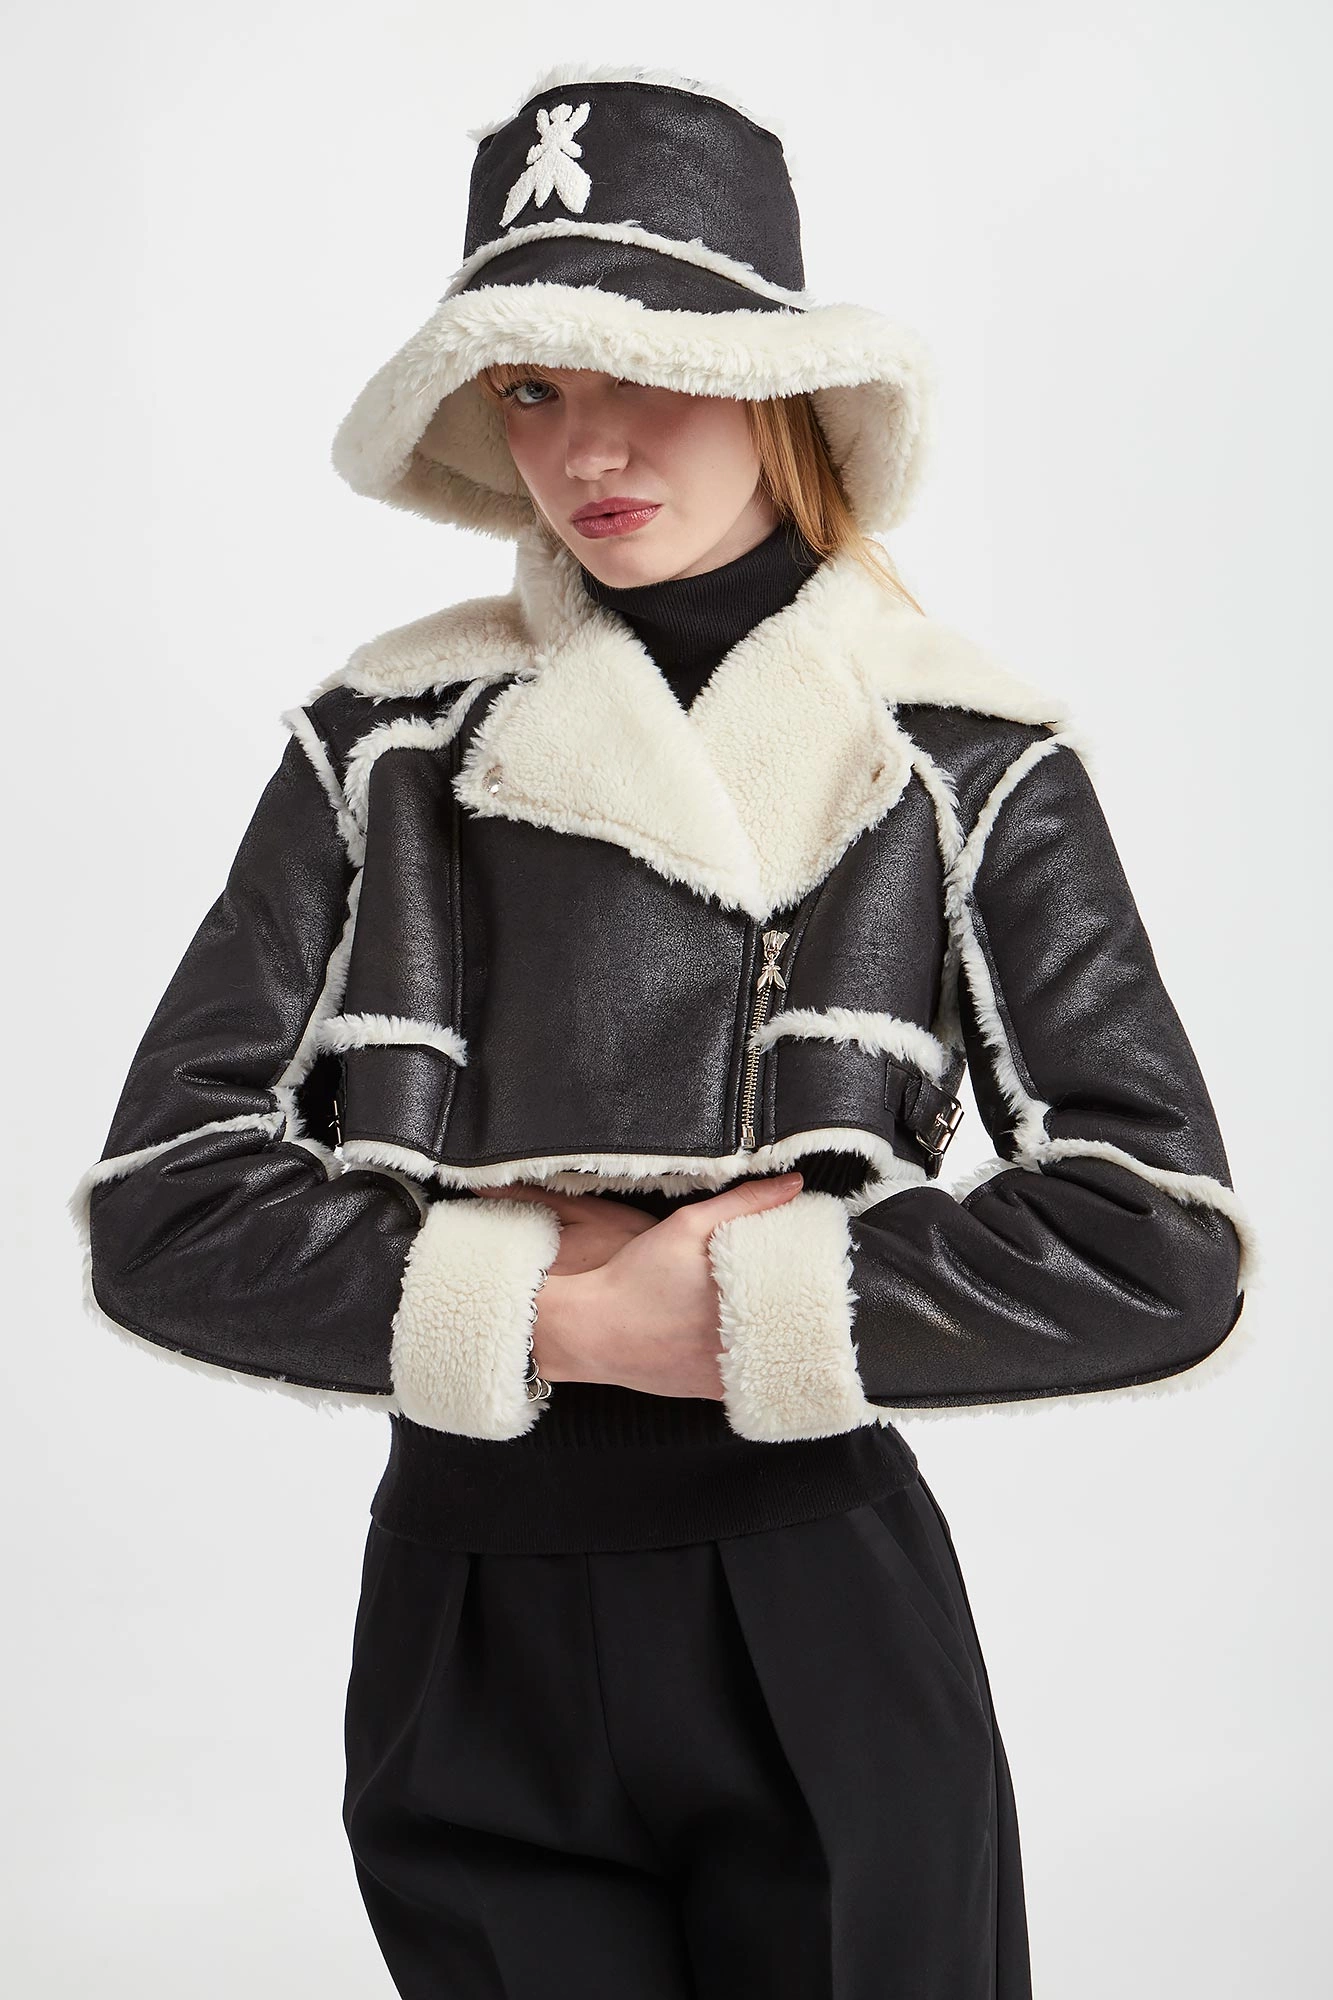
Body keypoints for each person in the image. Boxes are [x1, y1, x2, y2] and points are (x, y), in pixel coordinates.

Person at [69, 62, 1255, 2000]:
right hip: (464, 1621)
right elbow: (164, 1209)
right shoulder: (380, 744)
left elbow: (1158, 1242)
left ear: (773, 380)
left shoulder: (960, 753)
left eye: (643, 369)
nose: (585, 443)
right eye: (531, 386)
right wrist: (554, 1312)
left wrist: (752, 1308)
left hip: (811, 1609)